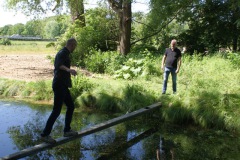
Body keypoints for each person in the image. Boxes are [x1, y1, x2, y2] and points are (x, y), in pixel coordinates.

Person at [41, 38, 78, 143]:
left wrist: (69, 71)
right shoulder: (62, 53)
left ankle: (67, 131)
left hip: (64, 85)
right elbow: (58, 65)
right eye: (75, 46)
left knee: (70, 106)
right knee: (56, 110)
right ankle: (45, 135)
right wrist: (68, 69)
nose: (75, 48)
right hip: (59, 85)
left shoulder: (65, 53)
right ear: (72, 45)